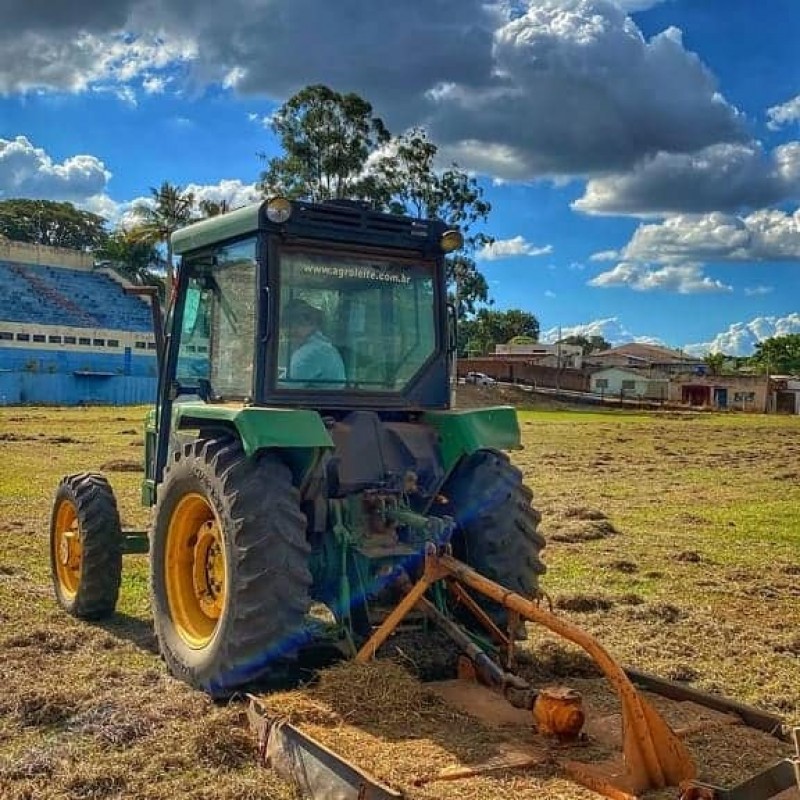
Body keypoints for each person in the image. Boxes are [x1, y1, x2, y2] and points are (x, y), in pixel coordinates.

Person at [280, 298, 346, 389]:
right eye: (288, 324)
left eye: (300, 323)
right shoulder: (322, 346)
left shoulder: (313, 351)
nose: (291, 329)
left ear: (314, 324)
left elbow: (283, 388)